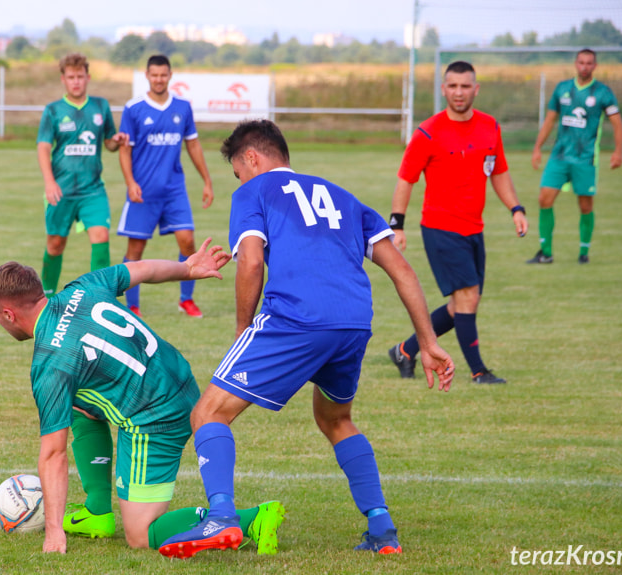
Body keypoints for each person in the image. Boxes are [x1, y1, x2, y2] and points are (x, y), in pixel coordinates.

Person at [158, 120, 455, 559]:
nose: (240, 179)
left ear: (252, 159)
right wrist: (427, 342)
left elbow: (251, 262)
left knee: (207, 414)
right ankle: (382, 526)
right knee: (335, 419)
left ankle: (221, 517)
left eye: (238, 171)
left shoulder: (253, 193)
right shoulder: (344, 198)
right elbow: (402, 270)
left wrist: (243, 333)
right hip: (354, 322)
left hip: (297, 317)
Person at [0, 238, 285, 555]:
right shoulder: (83, 286)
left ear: (8, 313)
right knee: (78, 403)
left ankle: (251, 520)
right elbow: (141, 269)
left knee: (139, 535)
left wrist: (54, 532)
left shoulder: (51, 364)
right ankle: (97, 511)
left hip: (156, 418)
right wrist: (187, 268)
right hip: (179, 378)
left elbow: (53, 454)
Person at [387, 61, 528, 385]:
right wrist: (397, 225)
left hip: (474, 228)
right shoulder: (428, 131)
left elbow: (499, 173)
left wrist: (515, 208)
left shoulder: (490, 128)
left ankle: (405, 351)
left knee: (462, 302)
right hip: (440, 227)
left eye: (465, 86)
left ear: (476, 89)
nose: (459, 92)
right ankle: (479, 371)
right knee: (467, 299)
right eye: (453, 86)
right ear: (443, 89)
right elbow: (405, 179)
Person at [117, 54, 214, 318]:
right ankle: (132, 306)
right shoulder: (134, 108)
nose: (159, 79)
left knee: (188, 241)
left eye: (163, 74)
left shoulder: (182, 107)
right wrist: (130, 183)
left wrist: (207, 180)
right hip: (144, 191)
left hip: (175, 190)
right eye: (154, 74)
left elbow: (192, 144)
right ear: (147, 76)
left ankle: (186, 300)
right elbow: (124, 150)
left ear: (170, 76)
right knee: (135, 250)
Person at [36, 53, 128, 297]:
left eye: (80, 77)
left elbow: (108, 142)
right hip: (61, 189)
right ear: (63, 80)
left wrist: (115, 141)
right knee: (55, 244)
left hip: (92, 189)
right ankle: (45, 297)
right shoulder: (53, 111)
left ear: (87, 78)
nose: (76, 81)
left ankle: (100, 296)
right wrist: (49, 182)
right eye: (71, 77)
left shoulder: (101, 107)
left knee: (101, 235)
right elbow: (43, 146)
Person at [528, 48, 622, 264]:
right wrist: (537, 147)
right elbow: (550, 120)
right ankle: (545, 253)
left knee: (585, 206)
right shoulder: (562, 89)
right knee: (544, 199)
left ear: (595, 66)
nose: (584, 66)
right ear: (575, 63)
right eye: (581, 62)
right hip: (559, 156)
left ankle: (583, 253)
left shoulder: (602, 92)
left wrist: (618, 151)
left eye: (589, 63)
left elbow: (617, 123)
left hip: (585, 158)